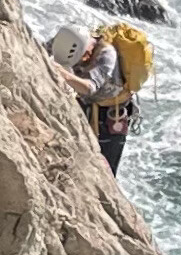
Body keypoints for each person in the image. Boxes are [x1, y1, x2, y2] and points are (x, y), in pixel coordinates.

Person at [48, 24, 135, 177]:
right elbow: (40, 49)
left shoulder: (107, 55)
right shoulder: (67, 38)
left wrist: (64, 74)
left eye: (82, 59)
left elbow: (90, 87)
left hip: (110, 116)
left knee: (105, 170)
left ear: (87, 52)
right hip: (85, 104)